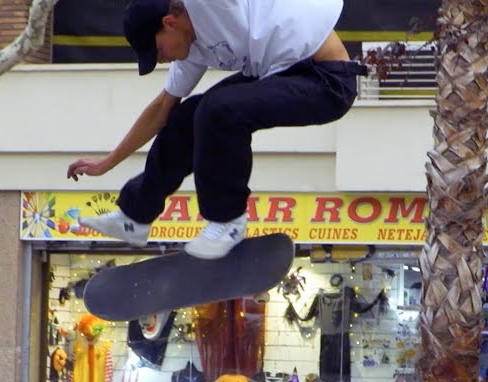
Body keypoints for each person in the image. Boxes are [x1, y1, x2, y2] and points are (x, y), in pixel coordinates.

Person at [66, 0, 366, 260]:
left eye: (158, 49)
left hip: (327, 82)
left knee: (219, 110)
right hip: (282, 74)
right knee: (186, 116)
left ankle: (227, 221)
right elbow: (161, 109)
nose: (161, 59)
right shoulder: (192, 48)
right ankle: (135, 216)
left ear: (170, 23)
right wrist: (108, 162)